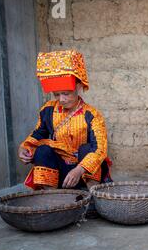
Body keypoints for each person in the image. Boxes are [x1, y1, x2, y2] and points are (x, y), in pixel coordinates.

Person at [18, 50, 111, 190]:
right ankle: (53, 197)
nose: (61, 99)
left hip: (84, 172)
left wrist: (79, 170)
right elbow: (38, 134)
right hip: (60, 172)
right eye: (56, 94)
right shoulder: (48, 110)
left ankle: (92, 195)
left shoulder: (92, 114)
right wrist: (24, 148)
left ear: (78, 87)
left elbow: (100, 150)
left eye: (66, 94)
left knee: (87, 149)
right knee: (42, 150)